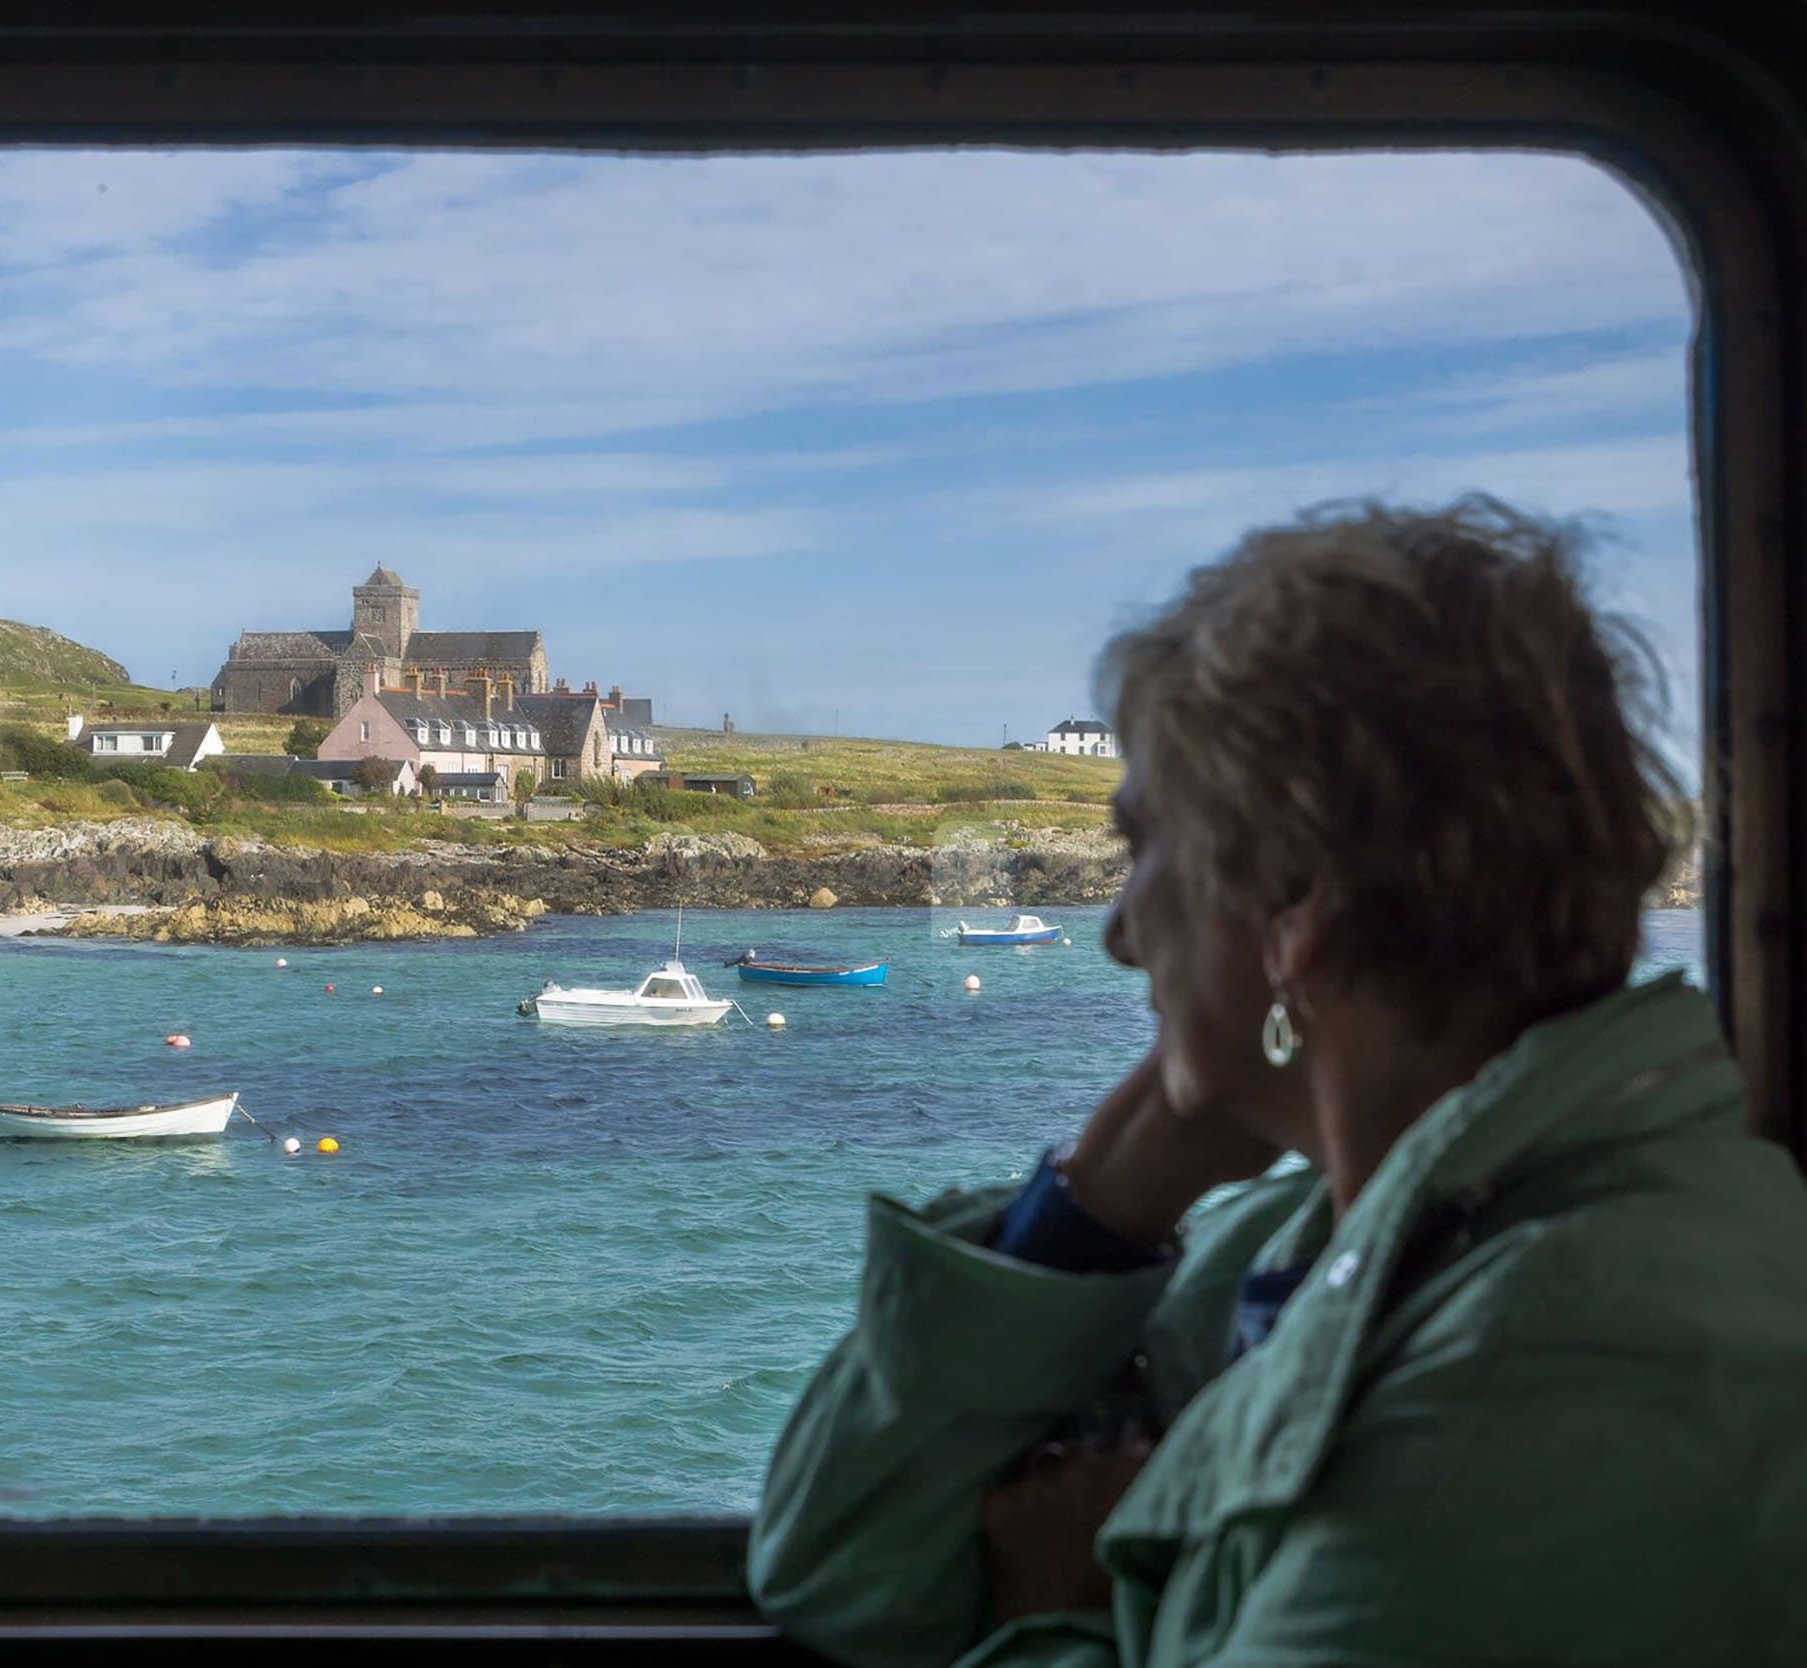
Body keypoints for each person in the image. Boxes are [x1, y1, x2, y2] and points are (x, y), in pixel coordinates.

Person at [748, 497, 1807, 1667]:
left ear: (1294, 902)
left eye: (1143, 848)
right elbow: (830, 1563)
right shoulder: (1317, 1244)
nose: (1116, 933)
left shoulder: (1565, 1370)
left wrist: (1065, 1614)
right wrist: (1104, 1193)